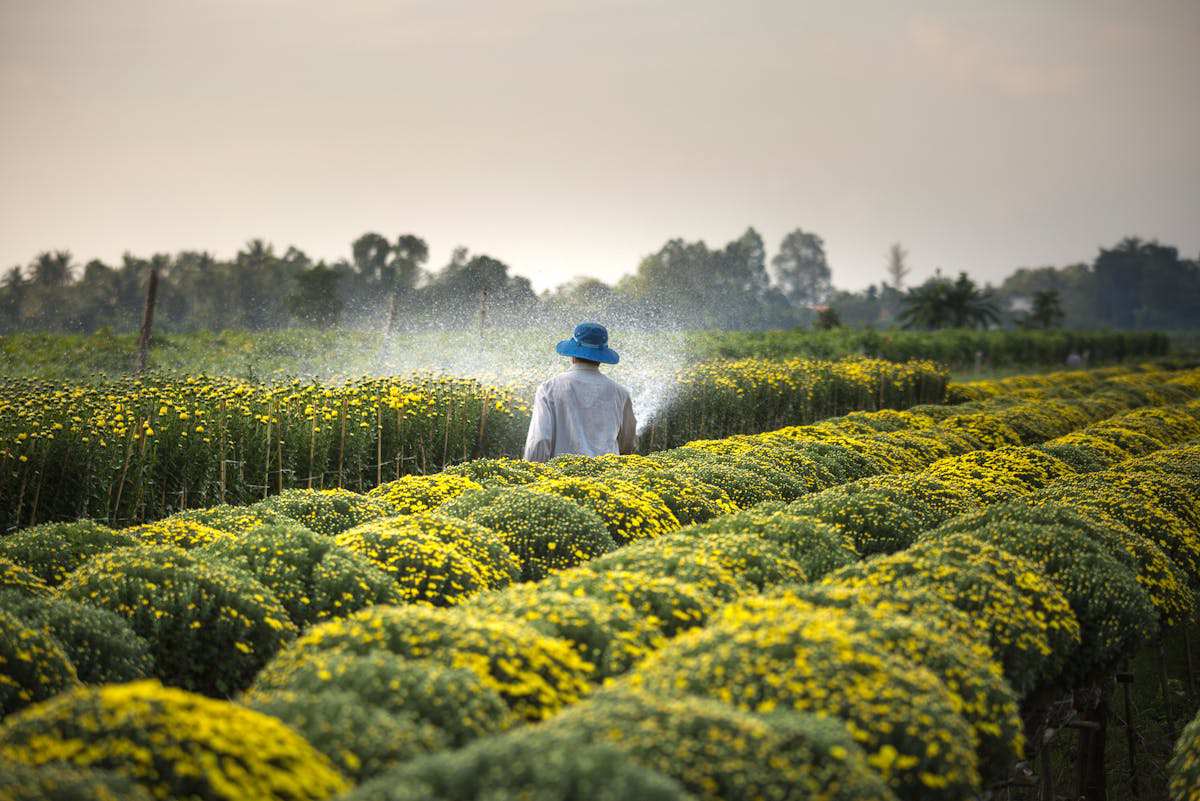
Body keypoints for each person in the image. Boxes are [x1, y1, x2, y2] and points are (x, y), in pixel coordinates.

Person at [522, 322, 637, 462]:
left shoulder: (549, 389)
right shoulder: (620, 393)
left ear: (573, 354)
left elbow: (539, 441)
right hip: (607, 477)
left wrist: (533, 474)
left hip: (559, 478)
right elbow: (627, 443)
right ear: (601, 357)